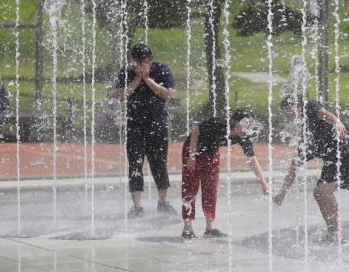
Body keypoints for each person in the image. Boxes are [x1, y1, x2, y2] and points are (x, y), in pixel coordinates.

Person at [273, 95, 349, 244]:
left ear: (293, 107)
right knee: (319, 193)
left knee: (323, 191)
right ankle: (333, 234)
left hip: (348, 152)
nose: (286, 115)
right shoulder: (308, 135)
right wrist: (281, 194)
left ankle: (337, 235)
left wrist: (336, 122)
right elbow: (293, 167)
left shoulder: (309, 107)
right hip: (334, 158)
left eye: (286, 111)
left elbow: (324, 113)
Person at [181, 108, 271, 240]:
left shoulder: (243, 136)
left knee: (211, 188)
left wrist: (264, 184)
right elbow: (196, 131)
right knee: (190, 187)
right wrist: (192, 156)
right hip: (193, 150)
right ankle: (187, 228)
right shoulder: (218, 123)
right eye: (244, 124)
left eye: (249, 125)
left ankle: (210, 227)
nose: (246, 128)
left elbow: (252, 159)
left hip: (211, 153)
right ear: (233, 121)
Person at [115, 43, 177, 219]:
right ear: (134, 60)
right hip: (134, 125)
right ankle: (137, 206)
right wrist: (137, 79)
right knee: (135, 163)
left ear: (152, 57)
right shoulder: (127, 71)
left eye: (146, 60)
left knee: (159, 163)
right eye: (139, 60)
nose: (143, 63)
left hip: (157, 124)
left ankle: (163, 202)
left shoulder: (162, 69)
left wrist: (148, 79)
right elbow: (121, 95)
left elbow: (167, 95)